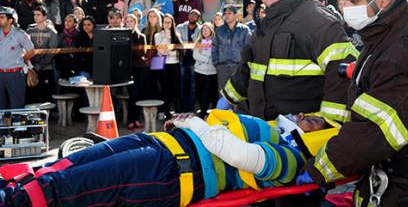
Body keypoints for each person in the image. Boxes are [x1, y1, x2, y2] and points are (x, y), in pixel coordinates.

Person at [303, 0, 408, 207]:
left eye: (352, 1)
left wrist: (317, 169)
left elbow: (376, 129)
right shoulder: (386, 34)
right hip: (393, 179)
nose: (343, 6)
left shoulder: (406, 47)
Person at [0, 110, 335, 206]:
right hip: (162, 145)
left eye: (313, 120)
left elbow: (239, 154)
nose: (303, 114)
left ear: (314, 137)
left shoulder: (290, 158)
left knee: (71, 187)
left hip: (172, 172)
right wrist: (189, 124)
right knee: (67, 165)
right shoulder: (271, 129)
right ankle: (13, 189)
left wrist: (197, 125)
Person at [219, 0, 357, 125]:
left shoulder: (317, 20)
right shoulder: (265, 24)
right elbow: (246, 71)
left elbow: (342, 74)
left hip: (302, 140)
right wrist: (224, 102)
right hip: (265, 132)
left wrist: (327, 123)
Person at [0, 6, 34, 109]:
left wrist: (21, 60)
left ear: (10, 20)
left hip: (15, 74)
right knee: (1, 107)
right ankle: (4, 125)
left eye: (2, 17)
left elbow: (31, 51)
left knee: (16, 106)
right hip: (0, 74)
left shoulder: (20, 34)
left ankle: (17, 125)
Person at [212, 5, 251, 92]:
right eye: (225, 13)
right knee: (223, 93)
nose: (227, 15)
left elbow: (249, 48)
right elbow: (214, 47)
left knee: (240, 94)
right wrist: (216, 63)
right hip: (223, 67)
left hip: (239, 67)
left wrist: (245, 65)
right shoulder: (219, 30)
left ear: (236, 15)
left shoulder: (244, 30)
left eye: (229, 13)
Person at [26, 6, 58, 104]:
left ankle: (48, 117)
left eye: (38, 15)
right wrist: (31, 66)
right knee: (31, 95)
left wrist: (38, 67)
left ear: (45, 17)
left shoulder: (52, 33)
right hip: (31, 68)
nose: (36, 17)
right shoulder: (29, 31)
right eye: (34, 15)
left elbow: (51, 53)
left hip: (47, 68)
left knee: (46, 95)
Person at [155, 14, 182, 119]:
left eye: (169, 22)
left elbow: (179, 52)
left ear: (172, 23)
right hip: (164, 65)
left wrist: (168, 51)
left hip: (175, 65)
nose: (167, 24)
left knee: (176, 90)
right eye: (165, 22)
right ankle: (166, 113)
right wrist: (166, 38)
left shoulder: (177, 35)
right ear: (162, 23)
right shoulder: (157, 36)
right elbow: (160, 51)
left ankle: (177, 112)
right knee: (165, 90)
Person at [124, 14, 147, 130]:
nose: (129, 23)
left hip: (140, 68)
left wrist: (131, 54)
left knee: (138, 94)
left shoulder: (141, 36)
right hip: (128, 69)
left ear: (135, 23)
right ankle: (130, 119)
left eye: (131, 21)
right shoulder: (123, 36)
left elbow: (141, 53)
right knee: (131, 95)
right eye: (127, 21)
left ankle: (136, 119)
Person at [176, 9, 202, 113]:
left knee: (193, 85)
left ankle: (190, 108)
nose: (192, 16)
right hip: (181, 60)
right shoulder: (180, 27)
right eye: (191, 14)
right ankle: (182, 108)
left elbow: (200, 43)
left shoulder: (200, 29)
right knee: (181, 84)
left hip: (194, 61)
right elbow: (177, 41)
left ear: (198, 18)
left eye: (195, 15)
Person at [193, 22, 218, 119]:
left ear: (211, 31)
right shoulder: (198, 42)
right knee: (200, 92)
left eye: (207, 29)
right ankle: (202, 110)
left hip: (212, 72)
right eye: (203, 29)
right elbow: (195, 55)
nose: (205, 31)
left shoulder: (215, 42)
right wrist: (207, 59)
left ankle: (208, 112)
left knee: (209, 93)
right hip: (199, 71)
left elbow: (214, 56)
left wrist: (204, 57)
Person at [56, 14, 80, 79]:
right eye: (66, 21)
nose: (67, 23)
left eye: (70, 21)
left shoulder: (79, 35)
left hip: (76, 65)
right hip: (63, 65)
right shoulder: (61, 36)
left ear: (75, 23)